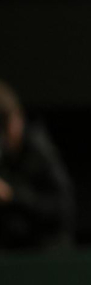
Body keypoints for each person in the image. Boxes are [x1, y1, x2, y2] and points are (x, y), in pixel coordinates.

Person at [0, 80, 73, 252]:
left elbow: (61, 209)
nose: (3, 136)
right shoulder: (4, 156)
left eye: (4, 125)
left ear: (17, 118)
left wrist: (12, 196)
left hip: (46, 254)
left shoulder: (40, 151)